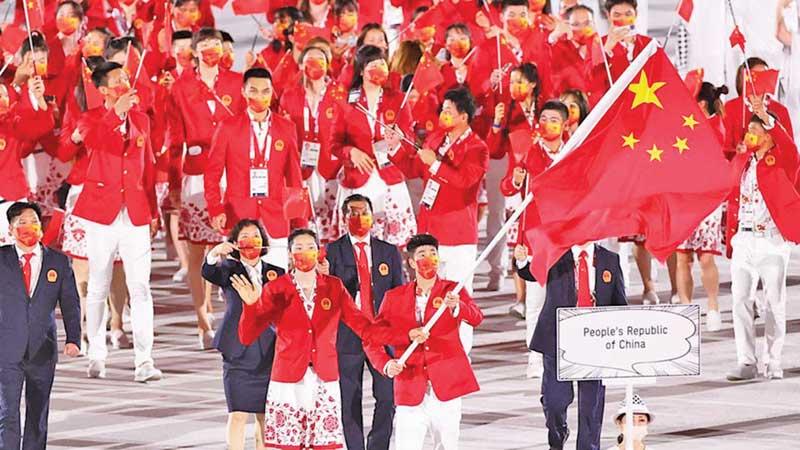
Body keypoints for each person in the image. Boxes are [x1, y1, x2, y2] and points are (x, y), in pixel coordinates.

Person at [231, 228, 402, 449]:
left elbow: (364, 327)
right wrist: (251, 305)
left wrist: (403, 335)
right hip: (288, 380)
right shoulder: (277, 288)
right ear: (290, 254)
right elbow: (247, 336)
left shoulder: (333, 286)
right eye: (299, 248)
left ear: (319, 252)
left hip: (325, 379)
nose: (305, 252)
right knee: (288, 445)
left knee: (324, 445)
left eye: (311, 247)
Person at [72, 61, 162, 382]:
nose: (125, 82)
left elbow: (147, 166)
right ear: (104, 89)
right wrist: (116, 114)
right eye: (118, 79)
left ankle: (144, 360)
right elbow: (94, 142)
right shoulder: (91, 118)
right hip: (101, 213)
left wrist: (154, 211)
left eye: (126, 77)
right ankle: (97, 353)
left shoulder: (142, 120)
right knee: (98, 284)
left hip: (135, 212)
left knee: (141, 287)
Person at [388, 87, 489, 353]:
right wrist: (396, 147)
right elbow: (413, 168)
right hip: (430, 231)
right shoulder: (435, 139)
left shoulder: (477, 148)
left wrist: (436, 165)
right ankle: (434, 350)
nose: (442, 114)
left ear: (464, 117)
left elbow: (466, 183)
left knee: (457, 297)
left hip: (457, 236)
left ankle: (460, 353)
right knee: (429, 297)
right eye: (442, 110)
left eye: (448, 111)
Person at [366, 233, 484, 450]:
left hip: (446, 383)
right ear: (411, 262)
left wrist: (457, 307)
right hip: (410, 383)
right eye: (422, 254)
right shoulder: (394, 297)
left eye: (433, 253)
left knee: (447, 445)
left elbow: (476, 317)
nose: (429, 257)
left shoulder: (453, 290)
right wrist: (386, 363)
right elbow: (372, 338)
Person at [167, 27, 244, 349]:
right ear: (194, 52)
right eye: (205, 46)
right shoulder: (181, 87)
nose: (211, 51)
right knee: (200, 251)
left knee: (235, 247)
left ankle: (237, 316)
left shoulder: (237, 83)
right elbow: (174, 138)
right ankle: (204, 320)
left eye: (216, 45)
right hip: (197, 175)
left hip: (234, 172)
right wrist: (172, 183)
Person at [516, 241, 627, 450]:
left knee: (590, 406)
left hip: (594, 342)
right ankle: (557, 435)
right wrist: (522, 260)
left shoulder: (610, 259)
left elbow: (619, 302)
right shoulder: (555, 253)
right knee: (554, 401)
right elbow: (532, 273)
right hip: (558, 338)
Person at [725, 108, 800, 382]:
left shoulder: (783, 161)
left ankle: (773, 359)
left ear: (770, 137)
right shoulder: (743, 162)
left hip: (771, 240)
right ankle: (746, 360)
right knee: (740, 299)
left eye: (758, 131)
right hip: (744, 239)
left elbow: (791, 148)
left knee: (773, 302)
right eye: (750, 130)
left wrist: (768, 118)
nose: (752, 134)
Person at [325, 194, 405, 450]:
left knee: (387, 395)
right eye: (352, 212)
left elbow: (399, 292)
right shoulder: (332, 251)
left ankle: (378, 446)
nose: (358, 217)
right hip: (348, 334)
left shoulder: (388, 251)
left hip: (381, 336)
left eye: (363, 212)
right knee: (349, 398)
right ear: (344, 217)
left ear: (374, 216)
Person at [205, 67, 304, 271]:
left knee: (277, 281)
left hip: (276, 215)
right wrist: (215, 208)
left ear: (272, 92)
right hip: (238, 214)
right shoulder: (228, 127)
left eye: (265, 91)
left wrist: (299, 222)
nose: (260, 96)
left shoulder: (286, 128)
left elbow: (294, 177)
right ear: (243, 92)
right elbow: (212, 172)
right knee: (236, 282)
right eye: (253, 91)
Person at [0, 202, 81, 449]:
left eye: (32, 221)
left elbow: (70, 302)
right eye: (21, 223)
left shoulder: (58, 261)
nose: (28, 227)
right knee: (7, 413)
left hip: (42, 351)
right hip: (6, 349)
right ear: (11, 230)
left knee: (37, 415)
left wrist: (73, 339)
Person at [500, 99, 569, 378]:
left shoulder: (573, 153)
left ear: (565, 125)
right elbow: (506, 188)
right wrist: (516, 180)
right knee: (536, 301)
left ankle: (564, 353)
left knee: (566, 299)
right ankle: (535, 357)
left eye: (554, 119)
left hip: (564, 238)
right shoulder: (528, 154)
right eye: (544, 118)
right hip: (535, 239)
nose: (547, 124)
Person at [202, 219, 285, 450]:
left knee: (263, 414)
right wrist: (214, 253)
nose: (250, 241)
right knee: (237, 414)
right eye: (244, 236)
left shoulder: (276, 274)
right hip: (236, 350)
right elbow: (209, 272)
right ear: (236, 244)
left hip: (268, 350)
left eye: (255, 235)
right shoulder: (229, 270)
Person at [330, 45, 416, 248]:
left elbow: (410, 141)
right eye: (373, 64)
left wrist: (398, 141)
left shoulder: (397, 100)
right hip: (359, 180)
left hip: (390, 180)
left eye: (382, 63)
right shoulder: (346, 102)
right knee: (359, 243)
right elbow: (334, 144)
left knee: (393, 247)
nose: (380, 67)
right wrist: (351, 152)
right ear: (361, 70)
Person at [675, 82, 728, 332]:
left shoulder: (715, 126)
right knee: (682, 257)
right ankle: (686, 308)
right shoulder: (683, 126)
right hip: (683, 199)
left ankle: (713, 307)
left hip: (707, 201)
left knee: (706, 258)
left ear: (701, 104)